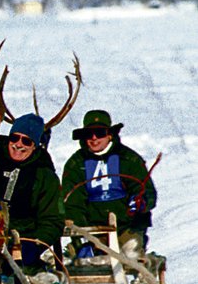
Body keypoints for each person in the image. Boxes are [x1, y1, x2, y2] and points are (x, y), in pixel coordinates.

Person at [0, 113, 64, 284]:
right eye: (15, 138)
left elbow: (52, 220)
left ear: (35, 146)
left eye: (26, 141)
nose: (18, 144)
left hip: (22, 242)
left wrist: (35, 245)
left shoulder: (45, 176)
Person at [62, 110, 157, 258]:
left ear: (110, 134)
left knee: (131, 255)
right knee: (83, 260)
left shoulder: (128, 159)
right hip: (92, 231)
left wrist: (140, 202)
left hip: (126, 228)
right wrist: (81, 232)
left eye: (99, 133)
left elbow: (146, 191)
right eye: (89, 134)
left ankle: (140, 276)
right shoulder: (76, 164)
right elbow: (72, 201)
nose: (94, 138)